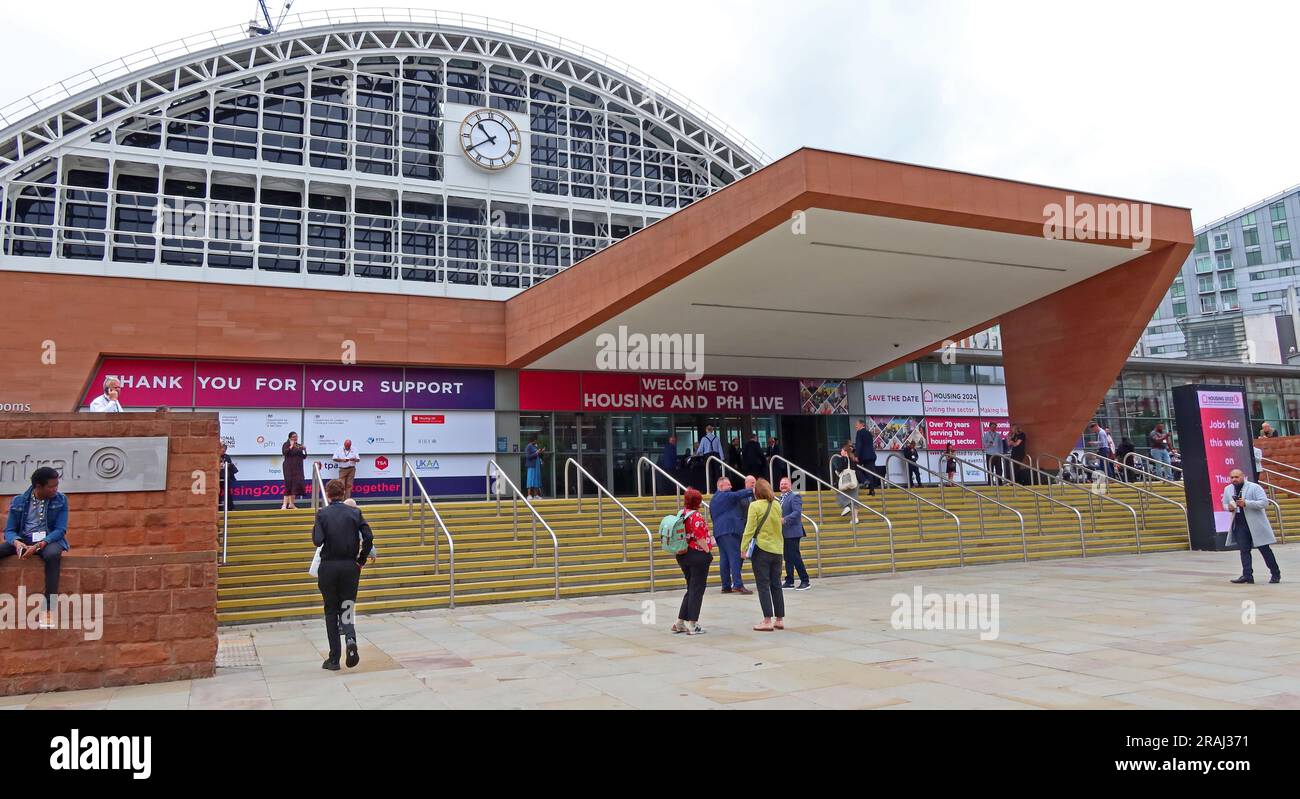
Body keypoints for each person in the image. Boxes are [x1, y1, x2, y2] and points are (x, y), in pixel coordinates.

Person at [312, 479, 374, 670]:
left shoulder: (322, 513)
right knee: (347, 605)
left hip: (329, 566)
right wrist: (361, 559)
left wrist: (319, 523)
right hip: (349, 566)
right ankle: (350, 638)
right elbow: (369, 537)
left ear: (329, 495)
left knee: (331, 611)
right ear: (344, 494)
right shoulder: (355, 512)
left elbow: (317, 540)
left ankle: (334, 658)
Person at [1, 467, 69, 629]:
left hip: (49, 539)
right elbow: (9, 531)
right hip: (24, 539)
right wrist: (17, 543)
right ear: (38, 486)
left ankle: (48, 610)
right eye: (51, 486)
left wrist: (40, 544)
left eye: (57, 485)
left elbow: (60, 530)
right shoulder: (18, 501)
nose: (55, 489)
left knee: (53, 556)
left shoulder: (60, 500)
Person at [740, 478, 786, 632]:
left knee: (763, 585)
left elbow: (750, 528)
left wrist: (743, 547)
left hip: (762, 549)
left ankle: (767, 620)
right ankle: (779, 619)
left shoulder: (754, 506)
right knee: (776, 584)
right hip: (777, 549)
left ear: (756, 491)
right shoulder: (777, 504)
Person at [1222, 469, 1281, 584]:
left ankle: (1275, 573)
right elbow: (1224, 503)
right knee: (1244, 551)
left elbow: (1264, 503)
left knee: (1264, 550)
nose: (1234, 479)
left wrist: (1247, 503)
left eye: (1237, 477)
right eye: (1232, 477)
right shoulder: (1228, 489)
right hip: (1240, 524)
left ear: (1243, 476)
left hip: (1256, 525)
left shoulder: (1254, 487)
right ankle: (1247, 575)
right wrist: (1229, 507)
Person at [670, 488, 714, 636]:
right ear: (698, 502)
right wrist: (708, 551)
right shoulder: (696, 517)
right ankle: (693, 624)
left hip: (682, 554)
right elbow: (700, 537)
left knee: (691, 588)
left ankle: (680, 622)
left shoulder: (681, 514)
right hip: (697, 555)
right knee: (697, 590)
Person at [710, 476, 754, 595]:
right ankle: (738, 585)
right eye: (728, 485)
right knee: (735, 557)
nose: (731, 486)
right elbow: (737, 495)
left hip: (720, 532)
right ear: (721, 486)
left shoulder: (714, 499)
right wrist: (753, 489)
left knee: (724, 559)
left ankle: (726, 586)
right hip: (730, 530)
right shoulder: (725, 495)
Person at [778, 476, 810, 591]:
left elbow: (797, 512)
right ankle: (789, 580)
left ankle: (805, 580)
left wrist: (784, 519)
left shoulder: (795, 496)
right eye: (781, 484)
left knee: (795, 556)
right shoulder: (780, 498)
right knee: (787, 557)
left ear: (790, 485)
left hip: (793, 531)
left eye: (785, 484)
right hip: (785, 532)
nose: (783, 486)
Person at [831, 443, 859, 524]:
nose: (841, 451)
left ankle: (846, 507)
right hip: (854, 481)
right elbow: (857, 470)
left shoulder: (843, 458)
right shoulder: (853, 459)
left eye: (842, 450)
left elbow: (840, 468)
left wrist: (837, 470)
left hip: (846, 481)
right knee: (854, 500)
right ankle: (855, 518)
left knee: (840, 495)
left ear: (845, 452)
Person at [281, 432, 307, 510]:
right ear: (289, 437)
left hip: (297, 468)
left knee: (295, 485)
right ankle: (284, 504)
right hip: (288, 467)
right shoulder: (286, 444)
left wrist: (305, 450)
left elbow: (303, 456)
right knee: (288, 484)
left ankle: (291, 504)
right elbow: (285, 452)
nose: (295, 438)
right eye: (293, 437)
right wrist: (291, 446)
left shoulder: (298, 445)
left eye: (296, 436)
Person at [853, 419, 878, 496]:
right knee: (869, 472)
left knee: (855, 468)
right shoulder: (868, 433)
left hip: (864, 456)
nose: (855, 426)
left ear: (862, 424)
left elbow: (859, 445)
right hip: (871, 455)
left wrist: (856, 455)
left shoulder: (859, 433)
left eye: (857, 424)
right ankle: (872, 490)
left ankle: (864, 480)